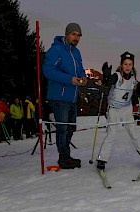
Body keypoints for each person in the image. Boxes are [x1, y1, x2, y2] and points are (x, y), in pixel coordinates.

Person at [95, 51, 140, 171]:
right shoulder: (117, 76)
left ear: (132, 66)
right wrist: (106, 76)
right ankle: (102, 160)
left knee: (133, 132)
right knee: (111, 134)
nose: (127, 66)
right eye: (125, 64)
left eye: (130, 64)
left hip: (126, 109)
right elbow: (107, 82)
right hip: (114, 109)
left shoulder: (133, 78)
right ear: (121, 65)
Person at [42, 22, 87, 169]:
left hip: (72, 97)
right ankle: (63, 158)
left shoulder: (77, 52)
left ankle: (66, 155)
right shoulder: (55, 50)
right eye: (73, 34)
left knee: (71, 128)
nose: (76, 38)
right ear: (67, 34)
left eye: (78, 35)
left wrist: (83, 77)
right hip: (59, 97)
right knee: (62, 129)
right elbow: (47, 71)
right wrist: (70, 79)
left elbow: (80, 69)